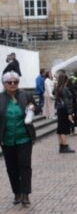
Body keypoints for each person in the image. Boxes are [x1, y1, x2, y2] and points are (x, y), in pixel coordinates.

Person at [0, 71, 36, 206]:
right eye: (10, 82)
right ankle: (17, 193)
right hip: (7, 139)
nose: (13, 84)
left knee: (25, 166)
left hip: (24, 138)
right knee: (12, 168)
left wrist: (32, 107)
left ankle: (26, 194)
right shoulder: (1, 98)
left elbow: (34, 108)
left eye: (16, 82)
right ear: (4, 84)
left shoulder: (25, 95)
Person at [53, 71, 75, 153]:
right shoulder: (64, 89)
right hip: (64, 110)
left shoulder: (58, 88)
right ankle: (65, 146)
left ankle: (61, 146)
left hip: (60, 109)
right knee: (64, 129)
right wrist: (70, 113)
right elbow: (67, 102)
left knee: (60, 128)